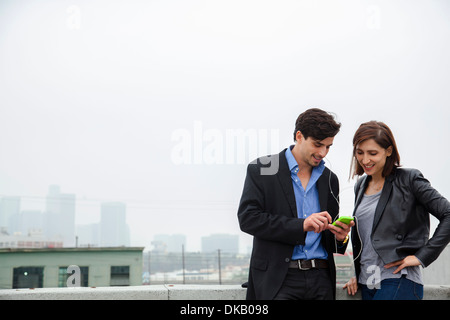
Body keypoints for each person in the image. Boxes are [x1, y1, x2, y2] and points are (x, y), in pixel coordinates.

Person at [237, 108, 353, 300]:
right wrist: (301, 225)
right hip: (280, 280)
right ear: (299, 136)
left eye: (328, 146)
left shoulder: (329, 179)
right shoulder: (263, 169)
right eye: (318, 145)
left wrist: (340, 239)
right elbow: (248, 219)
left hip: (322, 279)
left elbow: (329, 240)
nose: (323, 152)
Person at [343, 121, 450, 300]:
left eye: (373, 153)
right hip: (367, 282)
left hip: (399, 278)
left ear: (389, 151)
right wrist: (353, 273)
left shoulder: (409, 179)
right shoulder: (360, 185)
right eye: (360, 153)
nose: (365, 160)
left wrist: (421, 257)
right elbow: (366, 240)